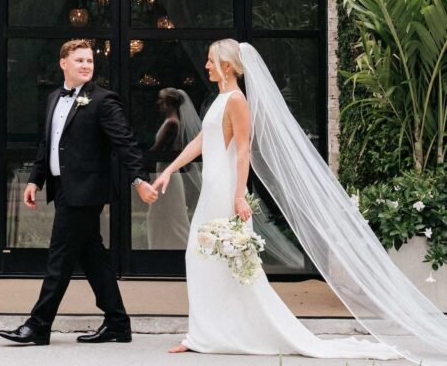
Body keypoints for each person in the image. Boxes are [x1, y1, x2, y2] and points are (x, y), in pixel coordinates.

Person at [152, 39, 447, 363]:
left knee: (220, 260)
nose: (206, 66)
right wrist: (170, 170)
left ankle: (212, 332)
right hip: (211, 188)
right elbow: (201, 140)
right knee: (203, 259)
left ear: (225, 65)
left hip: (223, 190)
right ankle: (204, 333)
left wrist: (238, 196)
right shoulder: (222, 98)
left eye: (210, 60)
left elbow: (243, 151)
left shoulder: (237, 100)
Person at [0, 38, 158, 347]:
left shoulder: (103, 100)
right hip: (63, 189)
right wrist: (35, 180)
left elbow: (125, 141)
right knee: (93, 256)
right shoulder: (53, 98)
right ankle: (117, 323)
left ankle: (38, 325)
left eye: (90, 61)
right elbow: (48, 144)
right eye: (80, 60)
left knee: (59, 258)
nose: (86, 65)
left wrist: (139, 179)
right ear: (64, 63)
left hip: (86, 192)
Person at [146, 88, 201, 250]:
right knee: (161, 215)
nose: (159, 103)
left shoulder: (172, 124)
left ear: (170, 103)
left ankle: (185, 249)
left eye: (162, 101)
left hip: (167, 174)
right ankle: (160, 247)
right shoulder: (170, 122)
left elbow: (158, 149)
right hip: (163, 172)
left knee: (170, 217)